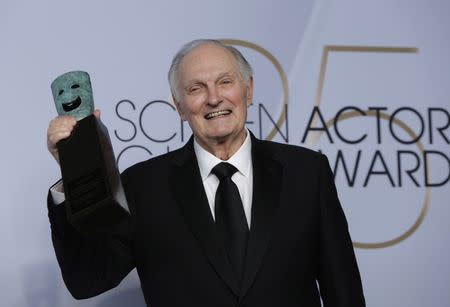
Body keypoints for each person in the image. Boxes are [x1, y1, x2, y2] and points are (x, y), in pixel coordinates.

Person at [47, 39, 366, 307]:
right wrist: (73, 169)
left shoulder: (307, 173)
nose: (214, 98)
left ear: (249, 90)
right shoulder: (142, 186)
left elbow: (344, 291)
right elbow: (86, 280)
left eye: (225, 82)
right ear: (179, 105)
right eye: (196, 88)